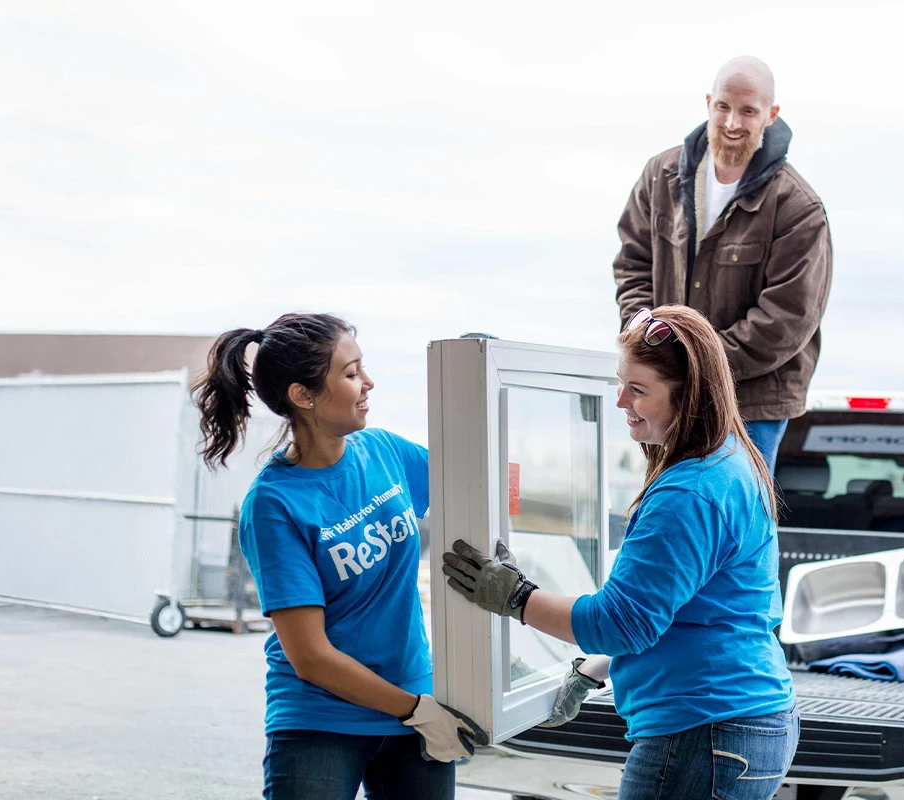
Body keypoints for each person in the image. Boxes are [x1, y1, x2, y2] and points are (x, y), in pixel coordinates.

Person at [443, 305, 799, 800]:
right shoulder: (729, 461)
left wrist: (516, 597)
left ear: (687, 393)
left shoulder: (689, 493)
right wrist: (597, 665)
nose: (619, 401)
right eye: (619, 382)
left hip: (704, 733)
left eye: (638, 389)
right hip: (740, 721)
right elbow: (695, 611)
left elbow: (622, 622)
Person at [194, 312, 484, 800]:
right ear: (303, 396)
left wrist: (481, 391)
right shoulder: (274, 505)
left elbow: (475, 481)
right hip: (323, 720)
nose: (368, 383)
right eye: (350, 374)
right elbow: (311, 657)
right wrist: (416, 710)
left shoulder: (383, 451)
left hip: (415, 703)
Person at [611, 55, 833, 469]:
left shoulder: (798, 207)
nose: (732, 123)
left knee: (740, 520)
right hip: (668, 391)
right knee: (674, 509)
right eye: (724, 108)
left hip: (752, 403)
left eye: (748, 111)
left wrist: (695, 362)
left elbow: (788, 319)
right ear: (709, 102)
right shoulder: (659, 176)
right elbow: (633, 265)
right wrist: (650, 342)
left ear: (771, 115)